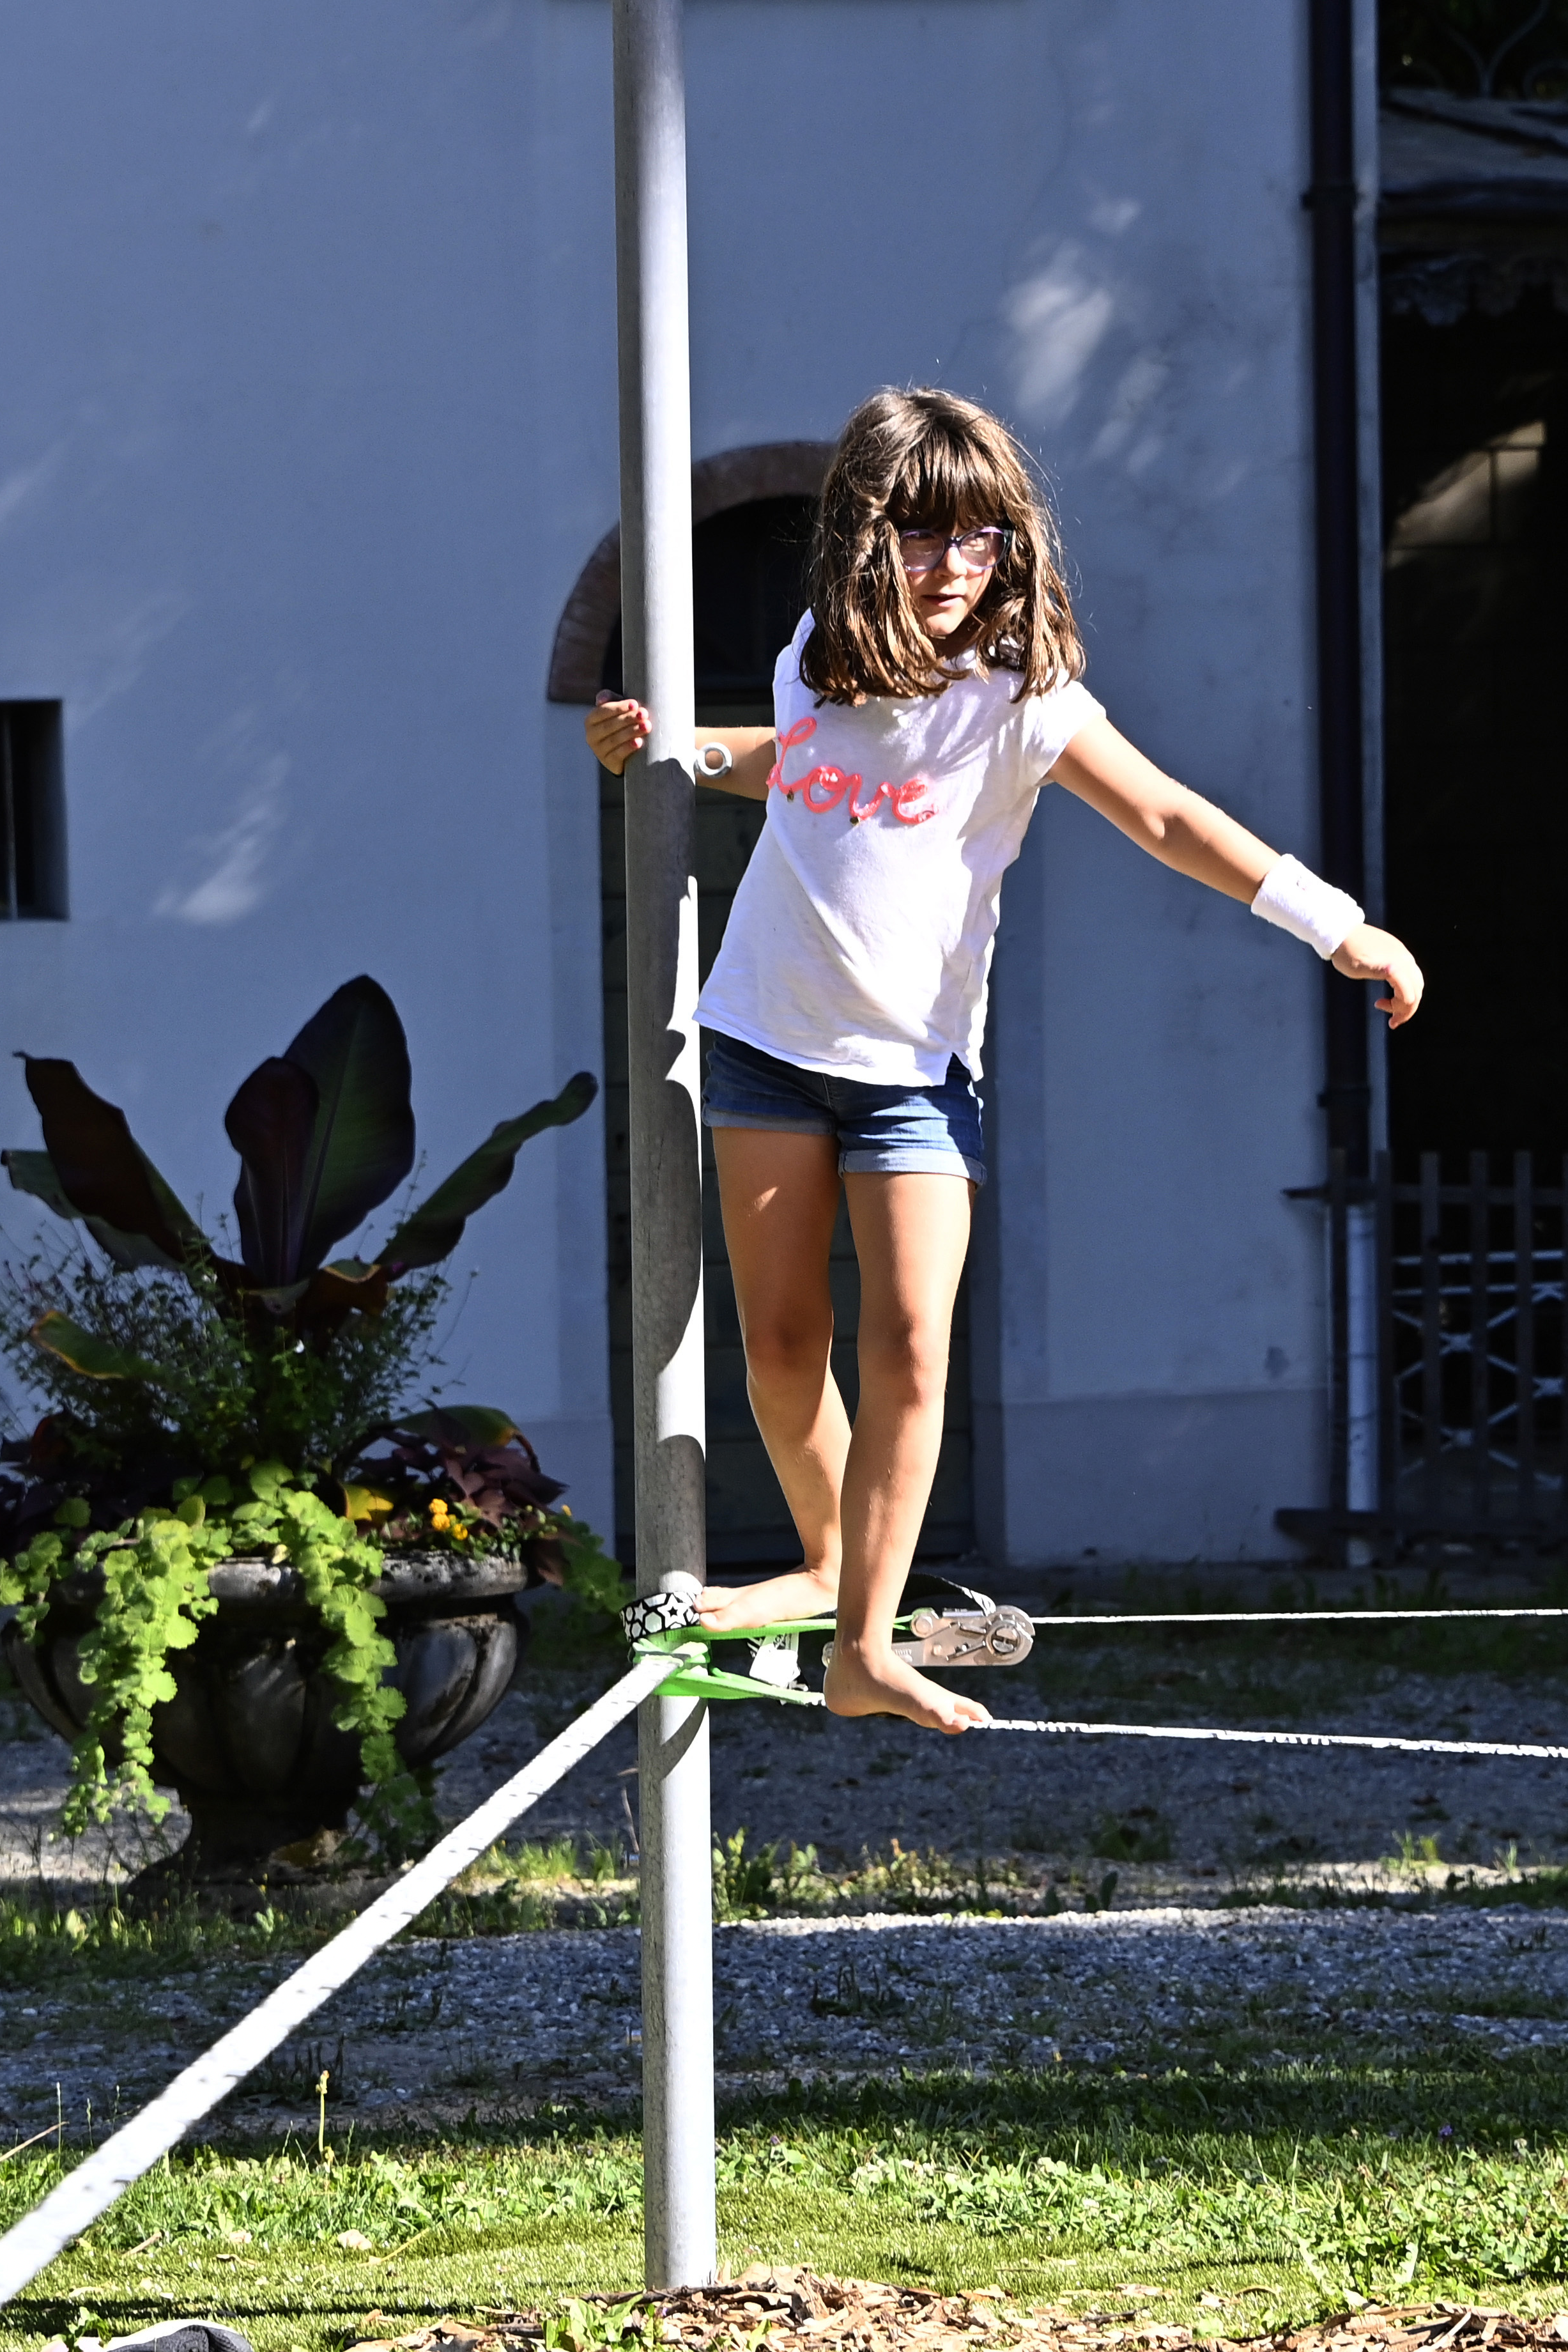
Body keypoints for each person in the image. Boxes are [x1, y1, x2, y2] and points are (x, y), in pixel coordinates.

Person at [586, 387, 1422, 1735]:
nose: (952, 570)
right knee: (786, 1347)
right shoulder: (817, 658)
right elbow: (799, 770)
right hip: (764, 1044)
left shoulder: (1024, 703)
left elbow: (1163, 814)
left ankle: (864, 1639)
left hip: (914, 1072)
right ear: (862, 543)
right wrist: (683, 750)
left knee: (912, 1342)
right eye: (921, 540)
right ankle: (825, 1561)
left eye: (978, 541)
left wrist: (1334, 924)